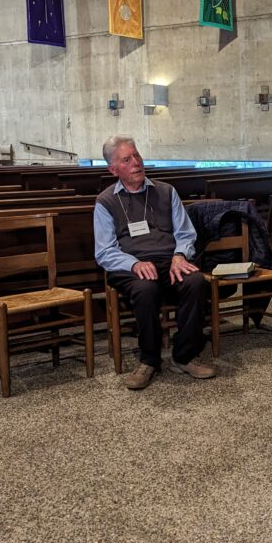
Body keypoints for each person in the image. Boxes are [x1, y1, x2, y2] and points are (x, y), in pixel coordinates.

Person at [94, 135, 216, 389]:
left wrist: (180, 255)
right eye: (127, 159)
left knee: (195, 281)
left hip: (168, 260)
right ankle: (149, 360)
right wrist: (133, 264)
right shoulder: (105, 202)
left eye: (136, 155)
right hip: (128, 266)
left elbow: (185, 233)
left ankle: (183, 356)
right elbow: (104, 251)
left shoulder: (165, 191)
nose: (136, 162)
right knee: (145, 289)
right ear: (113, 169)